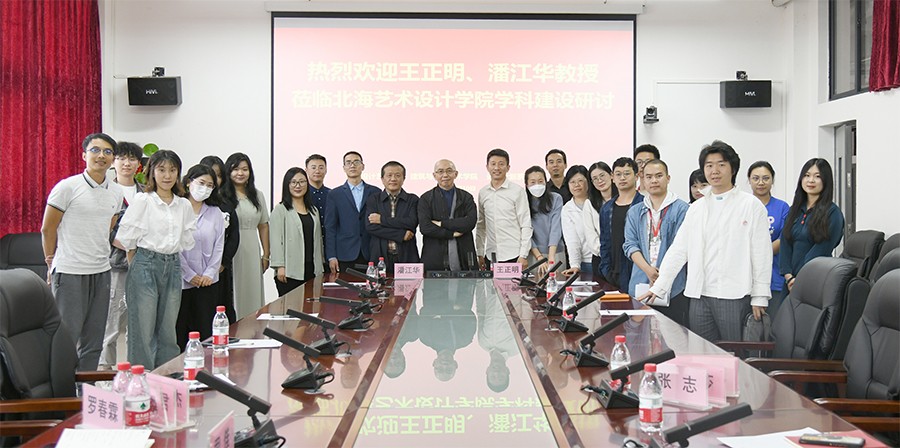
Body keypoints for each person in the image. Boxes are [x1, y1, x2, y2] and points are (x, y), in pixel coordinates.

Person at [638, 141, 772, 343]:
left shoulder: (751, 205)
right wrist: (660, 286)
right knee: (701, 352)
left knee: (734, 353)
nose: (714, 171)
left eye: (721, 164)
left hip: (734, 294)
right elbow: (679, 249)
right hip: (699, 294)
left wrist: (760, 296)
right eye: (709, 165)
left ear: (733, 168)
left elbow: (761, 253)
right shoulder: (697, 208)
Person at [41, 132, 124, 371]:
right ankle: (62, 387)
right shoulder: (67, 187)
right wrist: (50, 262)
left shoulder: (116, 191)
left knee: (94, 338)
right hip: (70, 271)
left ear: (113, 159)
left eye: (107, 152)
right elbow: (48, 228)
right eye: (95, 150)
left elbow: (108, 227)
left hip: (101, 271)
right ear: (84, 155)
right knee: (67, 336)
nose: (101, 156)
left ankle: (86, 388)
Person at [115, 150, 196, 370]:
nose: (167, 175)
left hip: (173, 265)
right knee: (143, 328)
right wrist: (137, 269)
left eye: (172, 170)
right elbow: (128, 241)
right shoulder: (144, 200)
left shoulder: (183, 205)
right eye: (161, 170)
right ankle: (141, 378)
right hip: (145, 264)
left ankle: (167, 376)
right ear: (152, 172)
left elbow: (185, 241)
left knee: (168, 329)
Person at [623, 160, 690, 326]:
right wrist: (648, 270)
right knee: (640, 334)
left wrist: (662, 275)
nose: (654, 180)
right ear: (643, 180)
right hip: (641, 281)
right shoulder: (635, 211)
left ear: (668, 178)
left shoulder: (682, 209)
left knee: (673, 334)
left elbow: (680, 247)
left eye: (659, 176)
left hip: (674, 285)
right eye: (649, 177)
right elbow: (630, 245)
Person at [99, 141, 144, 369]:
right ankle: (104, 371)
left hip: (144, 265)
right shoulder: (106, 192)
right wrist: (129, 247)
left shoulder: (146, 192)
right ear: (113, 162)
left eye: (132, 159)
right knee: (112, 323)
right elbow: (103, 229)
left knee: (139, 324)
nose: (127, 163)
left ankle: (136, 370)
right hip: (117, 265)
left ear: (139, 164)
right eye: (121, 158)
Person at [176, 164, 225, 349]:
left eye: (210, 185)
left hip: (208, 282)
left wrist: (209, 274)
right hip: (182, 282)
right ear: (189, 182)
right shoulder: (178, 207)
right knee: (181, 330)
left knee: (205, 331)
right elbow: (175, 246)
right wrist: (189, 275)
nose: (205, 188)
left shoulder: (215, 212)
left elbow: (219, 245)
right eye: (201, 183)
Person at [780, 158, 845, 293]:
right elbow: (785, 244)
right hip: (790, 282)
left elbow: (821, 250)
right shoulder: (794, 210)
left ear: (826, 181)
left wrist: (800, 277)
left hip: (815, 279)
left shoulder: (833, 213)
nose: (811, 180)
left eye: (817, 176)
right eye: (807, 175)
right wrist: (789, 276)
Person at [220, 153, 269, 318]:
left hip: (252, 248)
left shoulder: (257, 195)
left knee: (252, 289)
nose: (240, 173)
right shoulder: (222, 195)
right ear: (228, 171)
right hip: (230, 248)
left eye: (244, 169)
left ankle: (253, 327)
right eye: (235, 169)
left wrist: (266, 254)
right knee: (234, 290)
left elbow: (263, 225)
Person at [269, 167, 324, 296]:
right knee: (291, 306)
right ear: (287, 185)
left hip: (312, 268)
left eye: (302, 182)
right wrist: (280, 266)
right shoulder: (280, 210)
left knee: (311, 305)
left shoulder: (313, 210)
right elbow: (276, 241)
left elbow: (318, 239)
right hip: (290, 271)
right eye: (293, 182)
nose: (298, 186)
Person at [475, 148, 532, 271]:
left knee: (513, 285)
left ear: (508, 167)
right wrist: (480, 252)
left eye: (501, 164)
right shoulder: (483, 192)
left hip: (514, 254)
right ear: (487, 167)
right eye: (493, 164)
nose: (497, 168)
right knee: (490, 284)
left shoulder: (517, 191)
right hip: (491, 255)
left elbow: (526, 224)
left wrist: (523, 255)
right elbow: (481, 226)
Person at [324, 151, 380, 273]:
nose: (352, 165)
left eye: (356, 162)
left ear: (363, 166)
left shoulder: (375, 192)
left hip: (370, 252)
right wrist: (331, 256)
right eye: (348, 163)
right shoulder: (334, 194)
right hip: (344, 253)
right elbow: (330, 227)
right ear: (344, 168)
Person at [747, 161, 790, 316]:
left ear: (772, 180)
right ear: (749, 180)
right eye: (756, 178)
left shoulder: (782, 207)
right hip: (745, 278)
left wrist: (759, 254)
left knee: (773, 325)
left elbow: (784, 239)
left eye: (766, 178)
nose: (761, 183)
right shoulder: (743, 206)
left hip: (774, 278)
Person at [198, 155, 239, 323]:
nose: (215, 179)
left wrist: (222, 263)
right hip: (194, 271)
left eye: (219, 175)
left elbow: (233, 237)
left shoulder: (226, 205)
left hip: (220, 268)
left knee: (222, 307)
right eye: (211, 175)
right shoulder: (189, 204)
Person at [418, 159, 478, 271]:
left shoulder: (466, 197)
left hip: (464, 254)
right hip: (434, 256)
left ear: (456, 174)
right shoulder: (426, 198)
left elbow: (470, 222)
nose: (445, 175)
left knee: (467, 281)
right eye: (440, 171)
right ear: (434, 175)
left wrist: (441, 223)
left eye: (449, 171)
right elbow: (425, 227)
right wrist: (451, 234)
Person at [366, 161, 420, 271]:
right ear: (382, 179)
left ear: (404, 178)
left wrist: (382, 220)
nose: (393, 179)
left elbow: (411, 222)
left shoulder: (412, 199)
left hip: (407, 255)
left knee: (410, 283)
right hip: (380, 255)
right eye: (389, 175)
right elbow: (371, 227)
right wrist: (401, 234)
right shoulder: (374, 199)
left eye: (398, 175)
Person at [599, 157, 643, 291]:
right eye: (618, 174)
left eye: (627, 173)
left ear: (636, 176)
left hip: (637, 271)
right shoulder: (607, 208)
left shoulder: (644, 204)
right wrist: (606, 269)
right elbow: (604, 242)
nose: (622, 178)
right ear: (612, 177)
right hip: (612, 272)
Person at [524, 166, 564, 275]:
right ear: (526, 185)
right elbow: (525, 232)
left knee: (557, 283)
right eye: (533, 182)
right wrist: (539, 257)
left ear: (546, 182)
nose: (537, 185)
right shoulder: (523, 202)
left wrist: (551, 259)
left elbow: (556, 228)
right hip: (533, 254)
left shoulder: (556, 198)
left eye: (540, 181)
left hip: (555, 253)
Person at [584, 162, 617, 281]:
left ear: (611, 175)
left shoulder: (622, 199)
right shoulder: (589, 203)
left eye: (602, 175)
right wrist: (605, 252)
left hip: (621, 257)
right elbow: (590, 233)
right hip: (600, 257)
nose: (599, 180)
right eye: (595, 179)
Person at [560, 166, 594, 277]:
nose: (576, 185)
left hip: (606, 260)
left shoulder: (597, 202)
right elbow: (572, 240)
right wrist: (575, 264)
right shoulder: (567, 209)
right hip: (585, 263)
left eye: (580, 181)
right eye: (572, 182)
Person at [305, 154, 330, 268]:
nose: (317, 171)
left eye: (321, 167)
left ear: (326, 170)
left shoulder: (332, 195)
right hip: (308, 251)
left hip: (329, 251)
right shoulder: (301, 195)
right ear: (306, 170)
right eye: (313, 167)